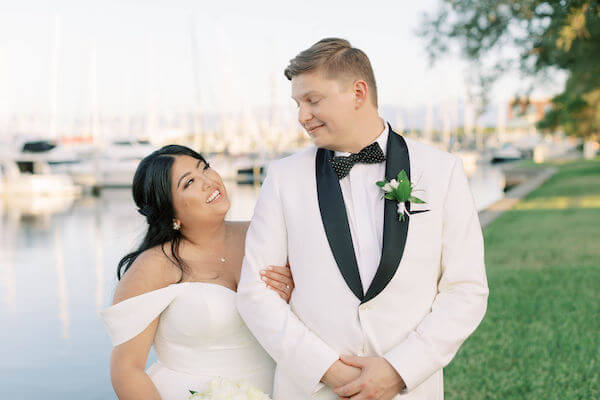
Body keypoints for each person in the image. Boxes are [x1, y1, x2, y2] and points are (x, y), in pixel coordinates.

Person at [236, 38, 489, 399]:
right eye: (297, 103)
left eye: (313, 100)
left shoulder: (441, 171)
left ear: (358, 93)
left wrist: (400, 369)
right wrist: (330, 371)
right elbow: (255, 293)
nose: (301, 116)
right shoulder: (282, 178)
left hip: (408, 389)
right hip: (314, 389)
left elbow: (466, 289)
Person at [100, 145, 294, 400]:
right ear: (169, 210)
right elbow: (126, 370)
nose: (208, 181)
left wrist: (294, 293)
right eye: (189, 182)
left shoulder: (264, 235)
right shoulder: (153, 266)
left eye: (204, 167)